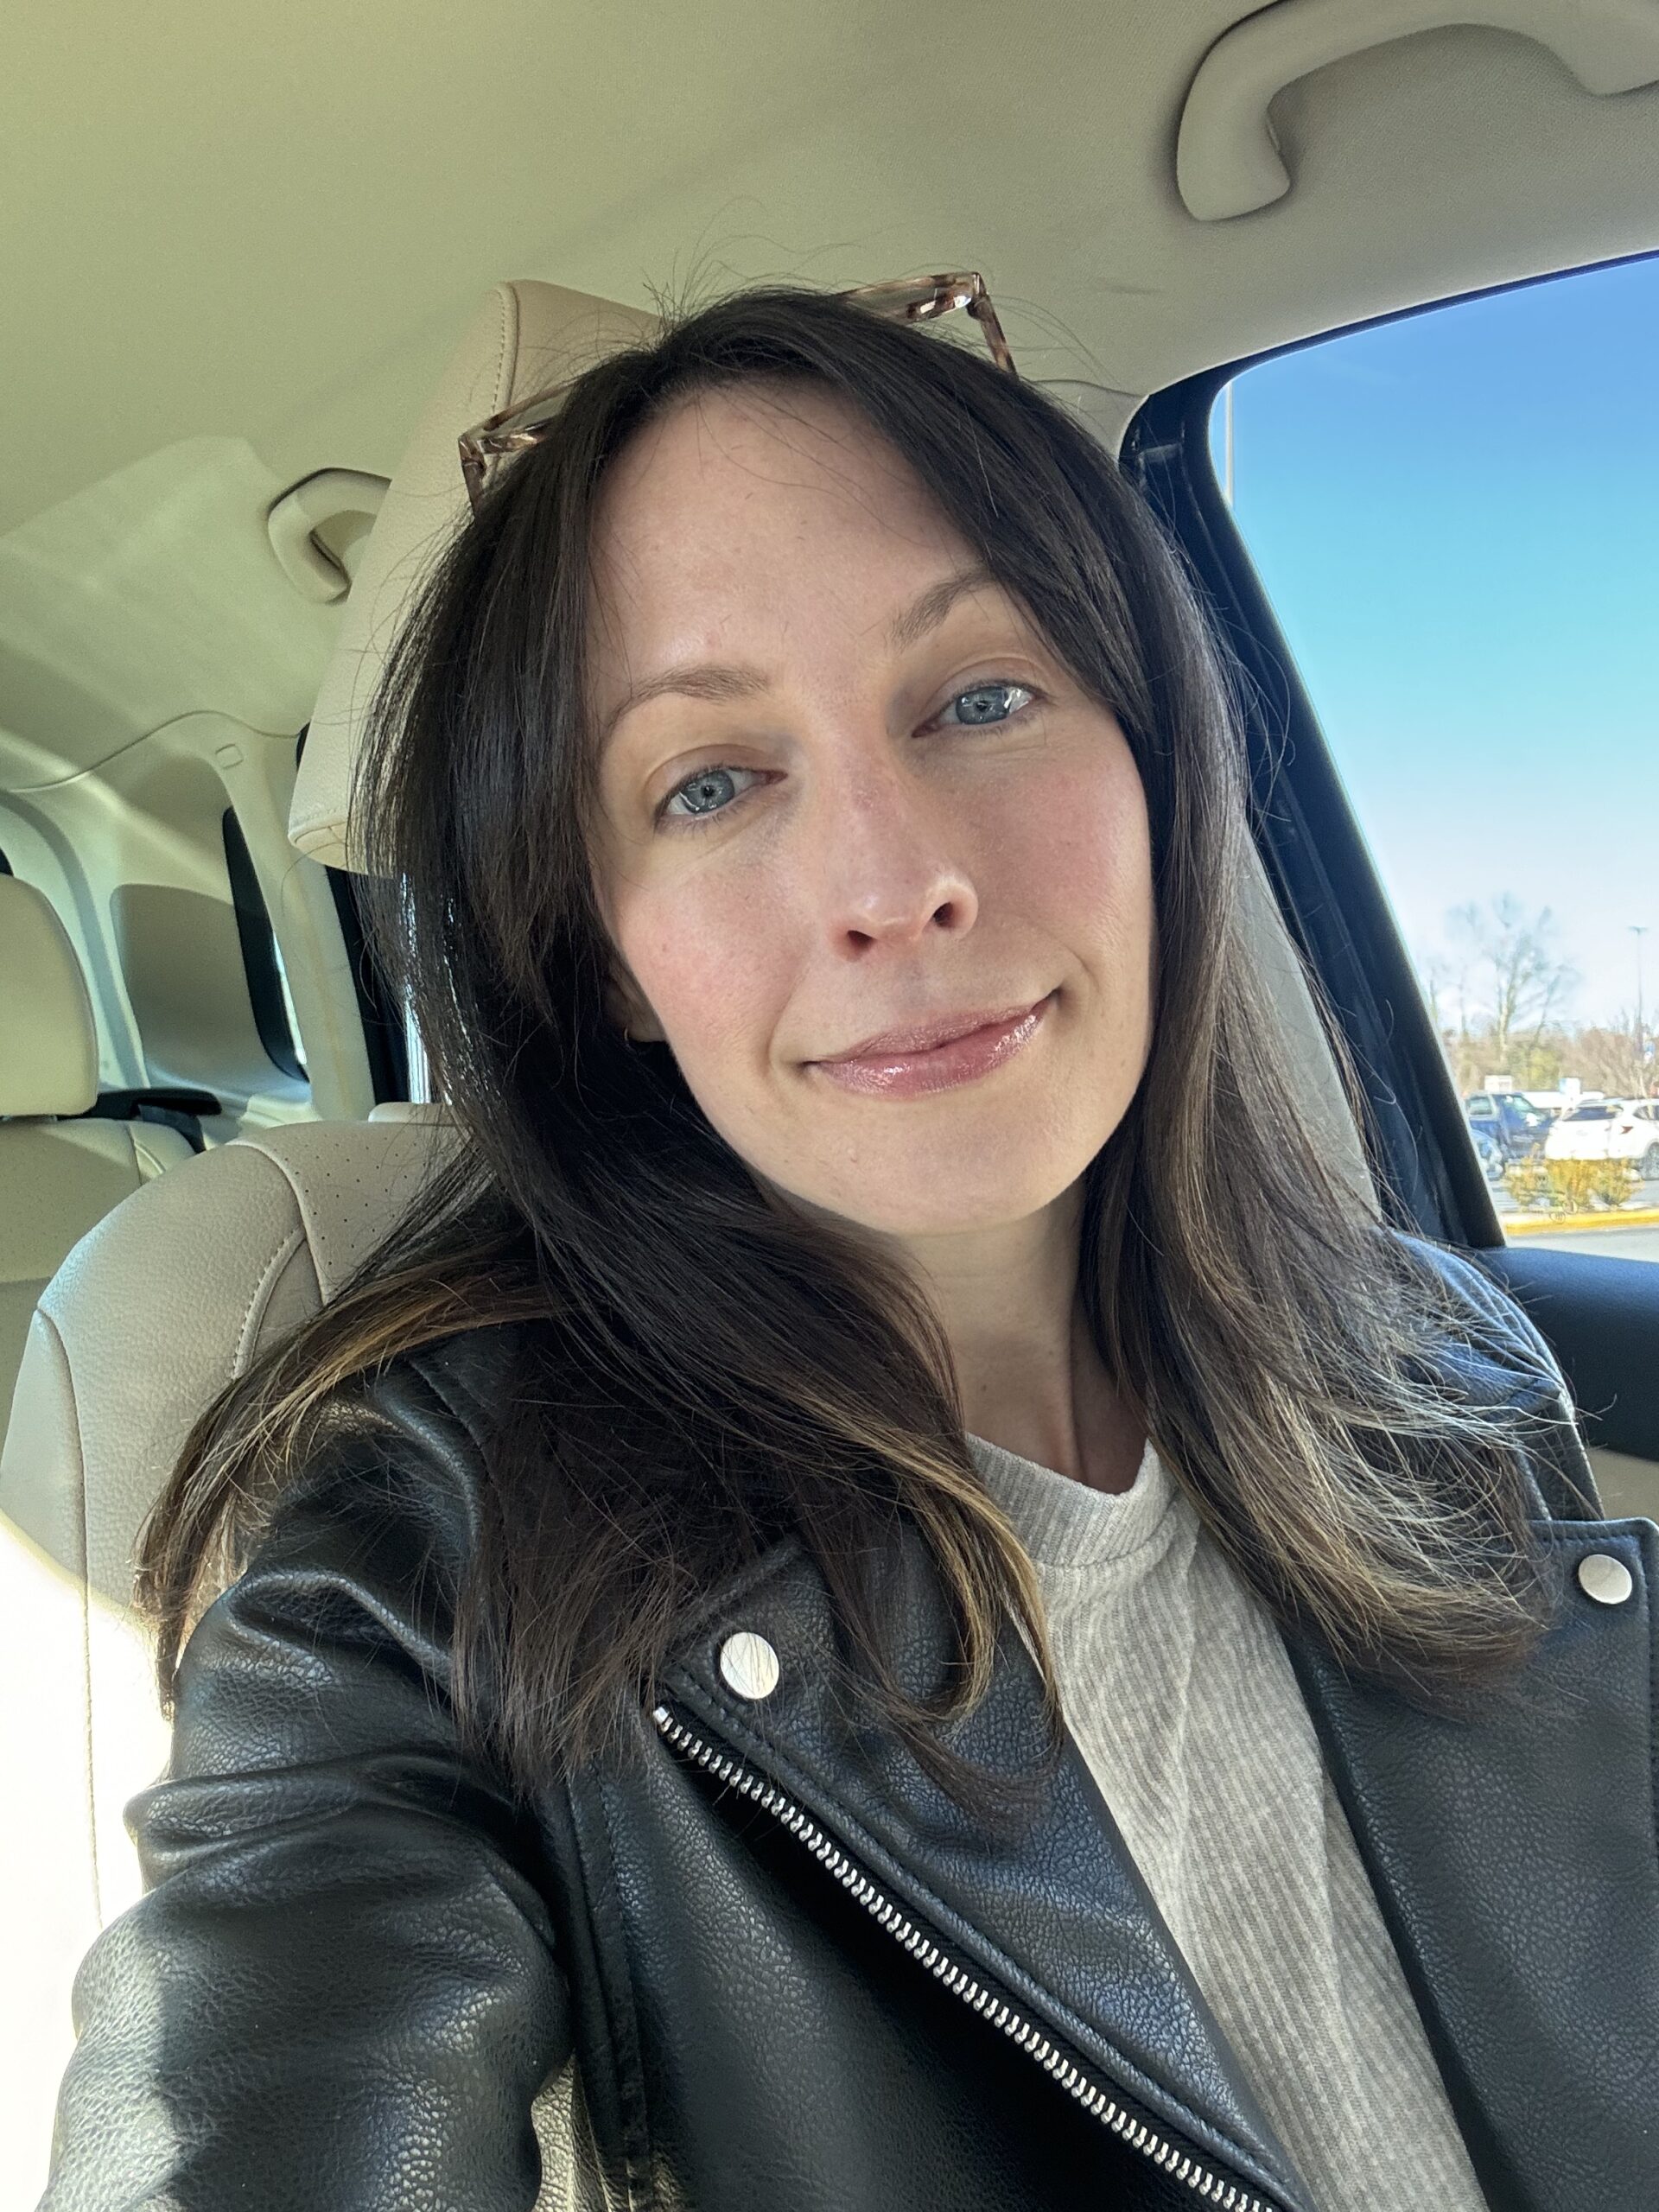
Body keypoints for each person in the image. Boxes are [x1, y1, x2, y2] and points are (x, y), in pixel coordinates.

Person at [38, 276, 1638, 2212]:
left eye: (981, 695)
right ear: (604, 957)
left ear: (1158, 767)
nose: (897, 880)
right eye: (709, 782)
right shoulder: (419, 1580)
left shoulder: (1445, 1366)